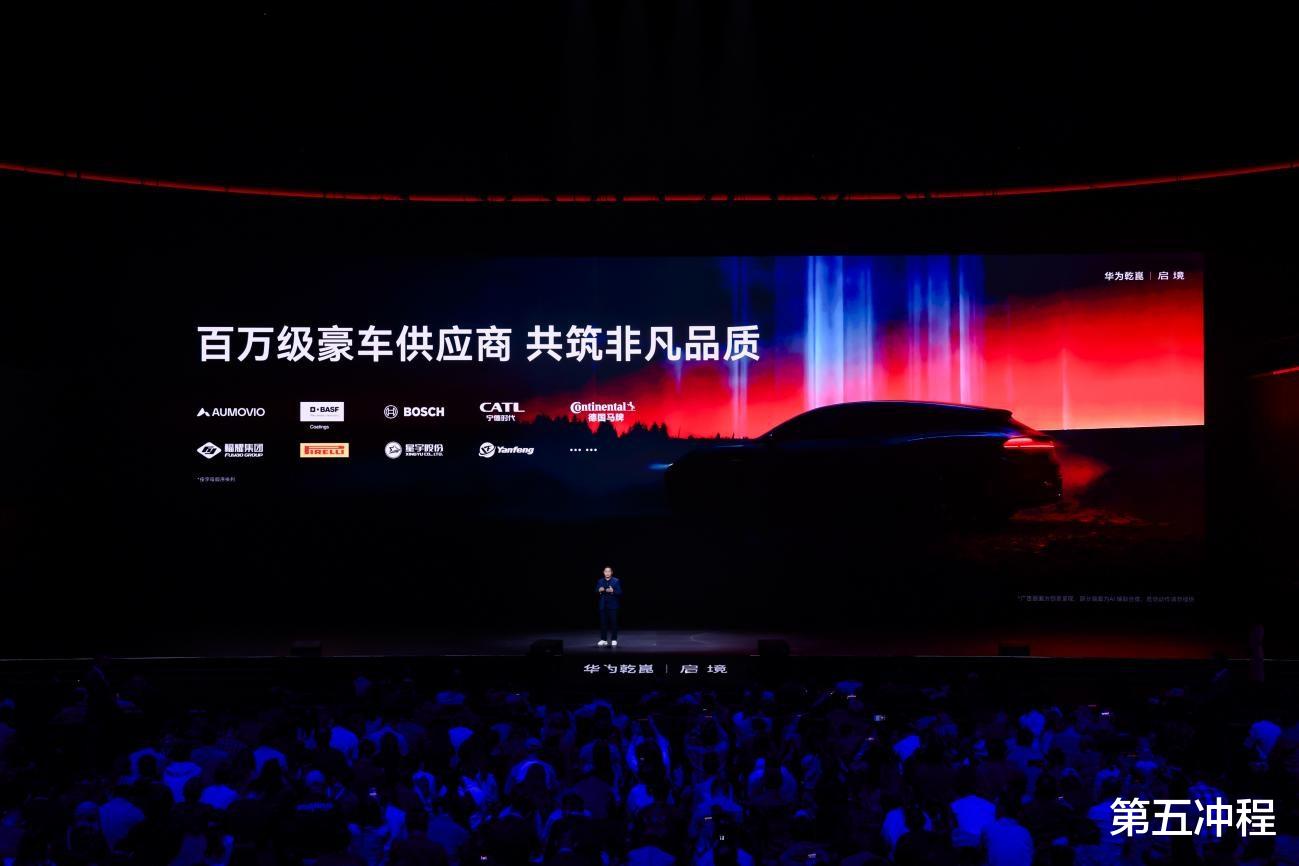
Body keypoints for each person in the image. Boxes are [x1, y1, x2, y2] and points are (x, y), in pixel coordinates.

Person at [596, 566, 621, 647]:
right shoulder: (600, 581)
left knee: (614, 623)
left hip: (613, 605)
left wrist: (613, 591)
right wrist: (599, 590)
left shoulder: (616, 581)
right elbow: (596, 590)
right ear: (603, 572)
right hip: (603, 605)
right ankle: (604, 639)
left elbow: (620, 592)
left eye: (609, 571)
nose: (607, 573)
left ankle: (614, 639)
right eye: (606, 571)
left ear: (611, 572)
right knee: (603, 623)